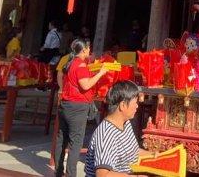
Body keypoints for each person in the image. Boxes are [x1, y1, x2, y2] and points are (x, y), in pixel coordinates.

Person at [54, 38, 109, 177]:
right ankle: (71, 174)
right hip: (77, 107)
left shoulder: (70, 62)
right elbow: (85, 85)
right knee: (75, 143)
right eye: (88, 48)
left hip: (65, 104)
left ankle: (58, 172)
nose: (90, 51)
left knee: (62, 140)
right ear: (84, 50)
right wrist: (101, 73)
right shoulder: (80, 65)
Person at [85, 81, 142, 176]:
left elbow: (134, 152)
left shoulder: (125, 122)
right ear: (123, 105)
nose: (137, 106)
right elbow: (102, 174)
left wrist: (156, 156)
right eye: (135, 102)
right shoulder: (106, 134)